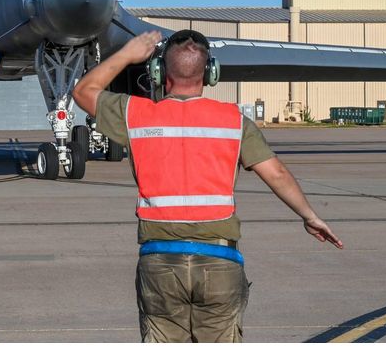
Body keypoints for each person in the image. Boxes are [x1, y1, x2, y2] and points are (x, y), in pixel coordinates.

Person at [72, 29, 343, 343]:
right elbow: (278, 174)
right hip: (219, 261)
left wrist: (128, 54)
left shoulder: (136, 114)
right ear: (211, 72)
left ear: (159, 72)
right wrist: (309, 215)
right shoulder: (234, 121)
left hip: (160, 263)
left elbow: (84, 91)